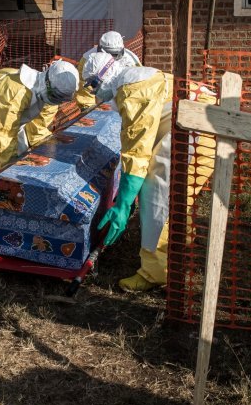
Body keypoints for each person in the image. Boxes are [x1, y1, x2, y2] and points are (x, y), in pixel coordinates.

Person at [82, 51, 216, 293]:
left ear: (104, 77)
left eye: (93, 84)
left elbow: (137, 153)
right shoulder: (139, 76)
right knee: (177, 199)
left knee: (158, 198)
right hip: (201, 126)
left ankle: (156, 272)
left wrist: (122, 204)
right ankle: (177, 252)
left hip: (193, 133)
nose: (94, 92)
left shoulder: (132, 91)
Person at [0, 60, 80, 229]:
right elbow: (3, 133)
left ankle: (13, 213)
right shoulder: (14, 90)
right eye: (55, 96)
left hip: (6, 116)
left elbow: (38, 129)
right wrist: (7, 169)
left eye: (60, 99)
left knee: (22, 155)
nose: (55, 101)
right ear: (47, 81)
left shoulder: (50, 95)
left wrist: (45, 152)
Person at [74, 30, 141, 109]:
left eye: (114, 54)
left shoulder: (131, 62)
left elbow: (137, 87)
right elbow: (84, 88)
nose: (110, 58)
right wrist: (88, 109)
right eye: (107, 54)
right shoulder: (87, 59)